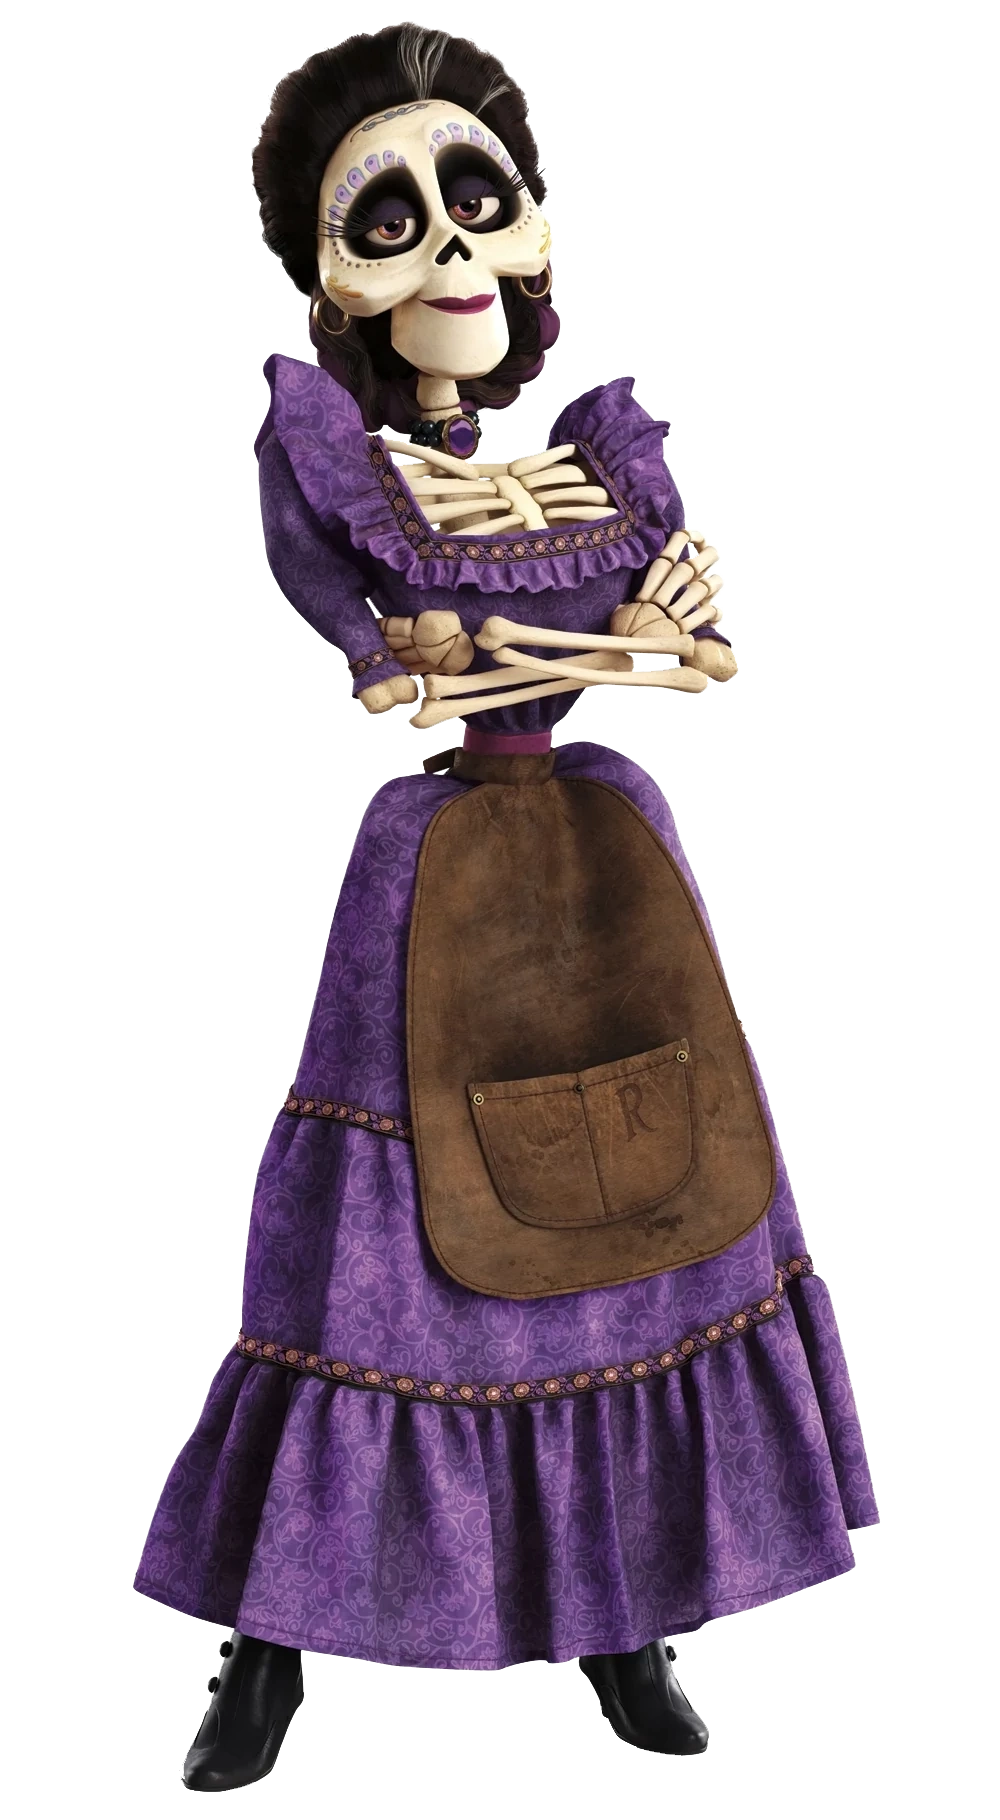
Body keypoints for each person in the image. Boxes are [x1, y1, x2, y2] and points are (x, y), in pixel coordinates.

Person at [132, 23, 879, 1790]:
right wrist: (545, 644)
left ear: (532, 230)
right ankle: (264, 1651)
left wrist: (633, 635)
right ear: (335, 275)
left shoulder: (602, 469)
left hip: (604, 851)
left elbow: (660, 642)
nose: (452, 252)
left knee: (645, 1199)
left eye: (481, 201)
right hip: (440, 872)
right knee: (369, 1245)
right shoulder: (341, 468)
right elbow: (392, 634)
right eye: (391, 221)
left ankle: (632, 1616)